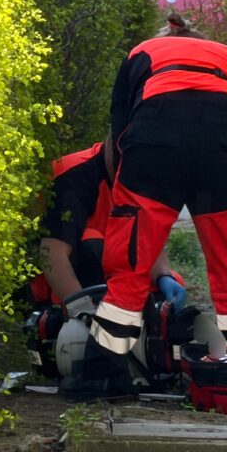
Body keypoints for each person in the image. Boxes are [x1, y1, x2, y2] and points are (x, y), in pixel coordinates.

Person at [89, 12, 227, 363]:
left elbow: (120, 128)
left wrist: (127, 199)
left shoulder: (141, 52)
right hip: (224, 150)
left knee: (130, 269)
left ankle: (103, 371)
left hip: (154, 145)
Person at [39, 136, 186, 320]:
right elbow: (51, 255)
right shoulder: (74, 177)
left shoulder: (140, 179)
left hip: (104, 272)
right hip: (53, 278)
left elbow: (145, 237)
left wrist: (164, 276)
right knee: (93, 245)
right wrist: (81, 311)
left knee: (170, 285)